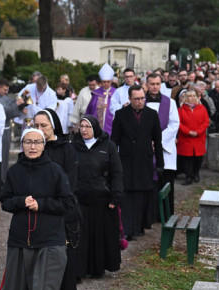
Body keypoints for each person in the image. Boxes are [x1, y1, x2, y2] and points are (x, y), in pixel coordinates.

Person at [0, 127, 76, 290]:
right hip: (21, 237)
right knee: (19, 285)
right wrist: (22, 201)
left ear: (44, 145)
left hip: (50, 237)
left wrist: (41, 204)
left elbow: (68, 204)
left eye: (37, 142)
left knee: (44, 285)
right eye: (28, 142)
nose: (33, 146)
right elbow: (5, 201)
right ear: (22, 145)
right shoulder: (14, 172)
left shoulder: (55, 171)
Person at [32, 108, 80, 290]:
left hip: (60, 206)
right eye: (36, 126)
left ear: (54, 126)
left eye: (44, 125)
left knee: (59, 252)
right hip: (37, 207)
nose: (40, 129)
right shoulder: (33, 146)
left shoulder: (66, 148)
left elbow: (71, 179)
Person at [110, 85, 164, 240]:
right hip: (126, 160)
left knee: (141, 195)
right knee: (126, 195)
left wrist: (160, 164)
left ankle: (139, 226)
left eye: (142, 98)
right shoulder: (120, 115)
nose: (140, 101)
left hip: (144, 160)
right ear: (129, 99)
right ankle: (127, 228)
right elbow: (114, 141)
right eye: (137, 99)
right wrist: (111, 163)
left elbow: (157, 141)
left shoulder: (152, 115)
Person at [73, 115, 123, 278]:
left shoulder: (108, 146)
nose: (84, 130)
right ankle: (79, 269)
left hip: (102, 200)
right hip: (80, 199)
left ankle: (98, 268)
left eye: (87, 126)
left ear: (95, 128)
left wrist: (115, 196)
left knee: (99, 236)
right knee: (81, 237)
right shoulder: (74, 147)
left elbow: (116, 173)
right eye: (81, 126)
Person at [144, 73, 179, 220]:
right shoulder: (140, 101)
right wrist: (146, 142)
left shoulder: (170, 102)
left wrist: (157, 142)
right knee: (147, 184)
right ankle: (148, 215)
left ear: (161, 84)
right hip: (144, 151)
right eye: (152, 84)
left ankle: (165, 214)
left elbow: (174, 124)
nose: (155, 87)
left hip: (165, 151)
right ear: (147, 84)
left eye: (157, 84)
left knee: (165, 183)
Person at [177, 89, 210, 184]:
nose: (191, 98)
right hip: (186, 138)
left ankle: (196, 173)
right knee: (187, 159)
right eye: (189, 96)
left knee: (198, 158)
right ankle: (188, 177)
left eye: (193, 96)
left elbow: (206, 122)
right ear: (185, 98)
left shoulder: (202, 108)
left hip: (199, 138)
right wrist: (188, 132)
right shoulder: (181, 109)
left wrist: (198, 132)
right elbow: (179, 123)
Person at [0, 79, 23, 175]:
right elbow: (5, 112)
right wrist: (16, 104)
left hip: (7, 130)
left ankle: (3, 176)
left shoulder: (3, 96)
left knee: (5, 155)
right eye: (5, 90)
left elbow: (10, 103)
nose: (6, 92)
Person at [85, 64, 119, 135]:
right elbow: (90, 109)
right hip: (97, 126)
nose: (106, 83)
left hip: (112, 125)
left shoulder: (116, 93)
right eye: (104, 82)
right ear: (101, 81)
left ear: (111, 81)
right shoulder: (96, 93)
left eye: (108, 81)